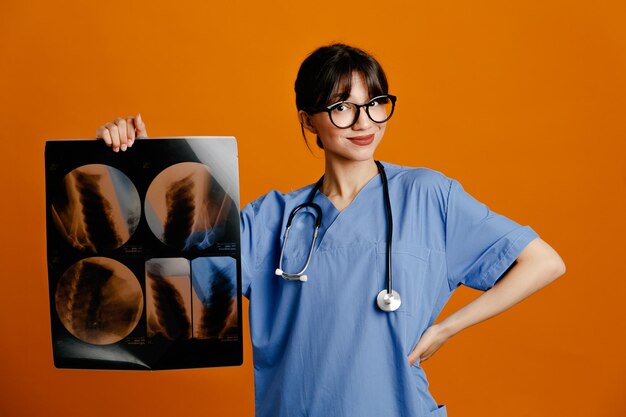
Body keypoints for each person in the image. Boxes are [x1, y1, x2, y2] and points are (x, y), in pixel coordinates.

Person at [97, 43, 566, 417]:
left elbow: (543, 261)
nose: (364, 123)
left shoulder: (430, 195)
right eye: (342, 107)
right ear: (308, 120)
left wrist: (448, 327)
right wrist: (127, 161)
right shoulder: (270, 218)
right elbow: (156, 266)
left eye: (375, 104)